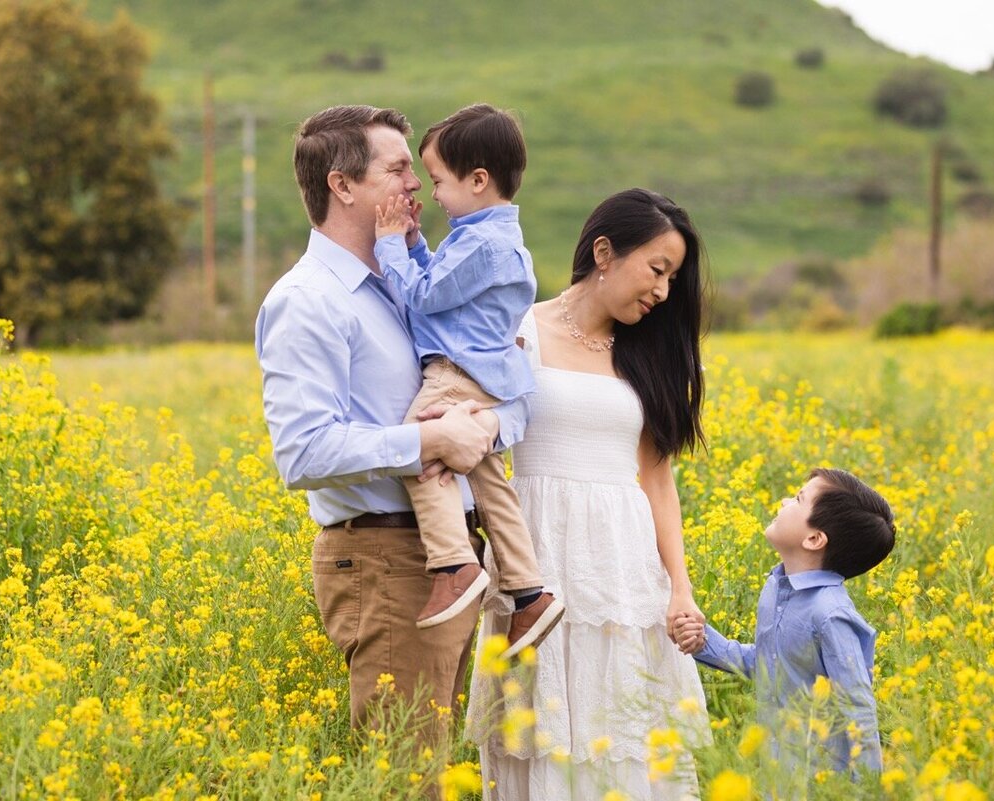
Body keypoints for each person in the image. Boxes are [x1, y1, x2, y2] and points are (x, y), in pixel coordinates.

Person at [254, 104, 528, 747]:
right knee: (407, 775)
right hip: (386, 559)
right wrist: (432, 440)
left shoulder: (412, 283)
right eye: (398, 169)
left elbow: (497, 380)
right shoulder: (307, 302)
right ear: (342, 186)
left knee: (437, 767)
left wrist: (491, 424)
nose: (418, 185)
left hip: (453, 557)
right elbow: (303, 453)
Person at [466, 188, 711, 800]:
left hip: (623, 569)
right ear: (604, 251)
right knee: (539, 728)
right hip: (536, 553)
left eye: (672, 280)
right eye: (657, 270)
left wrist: (680, 590)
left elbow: (657, 480)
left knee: (625, 728)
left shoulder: (649, 353)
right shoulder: (520, 330)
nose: (662, 292)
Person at [373, 104, 563, 657]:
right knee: (490, 484)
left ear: (478, 180)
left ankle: (453, 565)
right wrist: (412, 245)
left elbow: (425, 298)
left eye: (438, 181)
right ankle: (529, 594)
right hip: (488, 381)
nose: (431, 194)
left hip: (457, 377)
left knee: (420, 448)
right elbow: (439, 285)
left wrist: (387, 242)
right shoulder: (484, 237)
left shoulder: (483, 244)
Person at [673, 468, 896, 778]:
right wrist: (703, 640)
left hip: (822, 780)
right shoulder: (776, 589)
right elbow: (768, 663)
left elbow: (858, 709)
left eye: (797, 499)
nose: (783, 501)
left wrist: (868, 790)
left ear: (815, 539)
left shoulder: (830, 614)